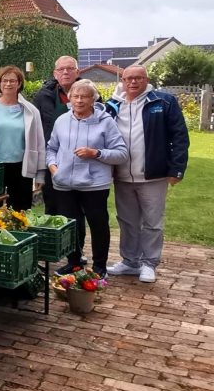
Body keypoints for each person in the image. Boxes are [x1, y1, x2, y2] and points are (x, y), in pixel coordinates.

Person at [104, 65, 190, 284]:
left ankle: (149, 263)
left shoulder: (163, 102)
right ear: (122, 81)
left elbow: (180, 136)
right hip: (122, 175)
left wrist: (177, 168)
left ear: (147, 80)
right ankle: (130, 261)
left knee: (152, 222)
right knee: (127, 221)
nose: (133, 82)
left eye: (138, 78)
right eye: (128, 78)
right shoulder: (113, 105)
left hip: (153, 175)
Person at [45, 79, 128, 277]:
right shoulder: (62, 120)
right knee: (70, 226)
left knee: (98, 225)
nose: (79, 100)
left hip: (94, 185)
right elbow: (51, 148)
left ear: (93, 99)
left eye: (84, 96)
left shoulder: (105, 121)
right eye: (75, 96)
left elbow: (121, 153)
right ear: (70, 98)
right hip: (64, 183)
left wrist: (96, 153)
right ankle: (74, 262)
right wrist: (53, 168)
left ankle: (99, 266)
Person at [0, 66, 47, 211]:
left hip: (21, 168)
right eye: (5, 80)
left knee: (20, 211)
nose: (8, 84)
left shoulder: (31, 110)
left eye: (12, 81)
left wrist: (40, 174)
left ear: (19, 83)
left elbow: (39, 143)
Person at [34, 56, 82, 213]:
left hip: (81, 159)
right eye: (61, 69)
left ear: (78, 72)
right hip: (52, 159)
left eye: (70, 69)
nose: (65, 72)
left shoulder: (90, 93)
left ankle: (77, 230)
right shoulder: (43, 96)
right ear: (55, 74)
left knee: (78, 207)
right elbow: (36, 128)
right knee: (52, 205)